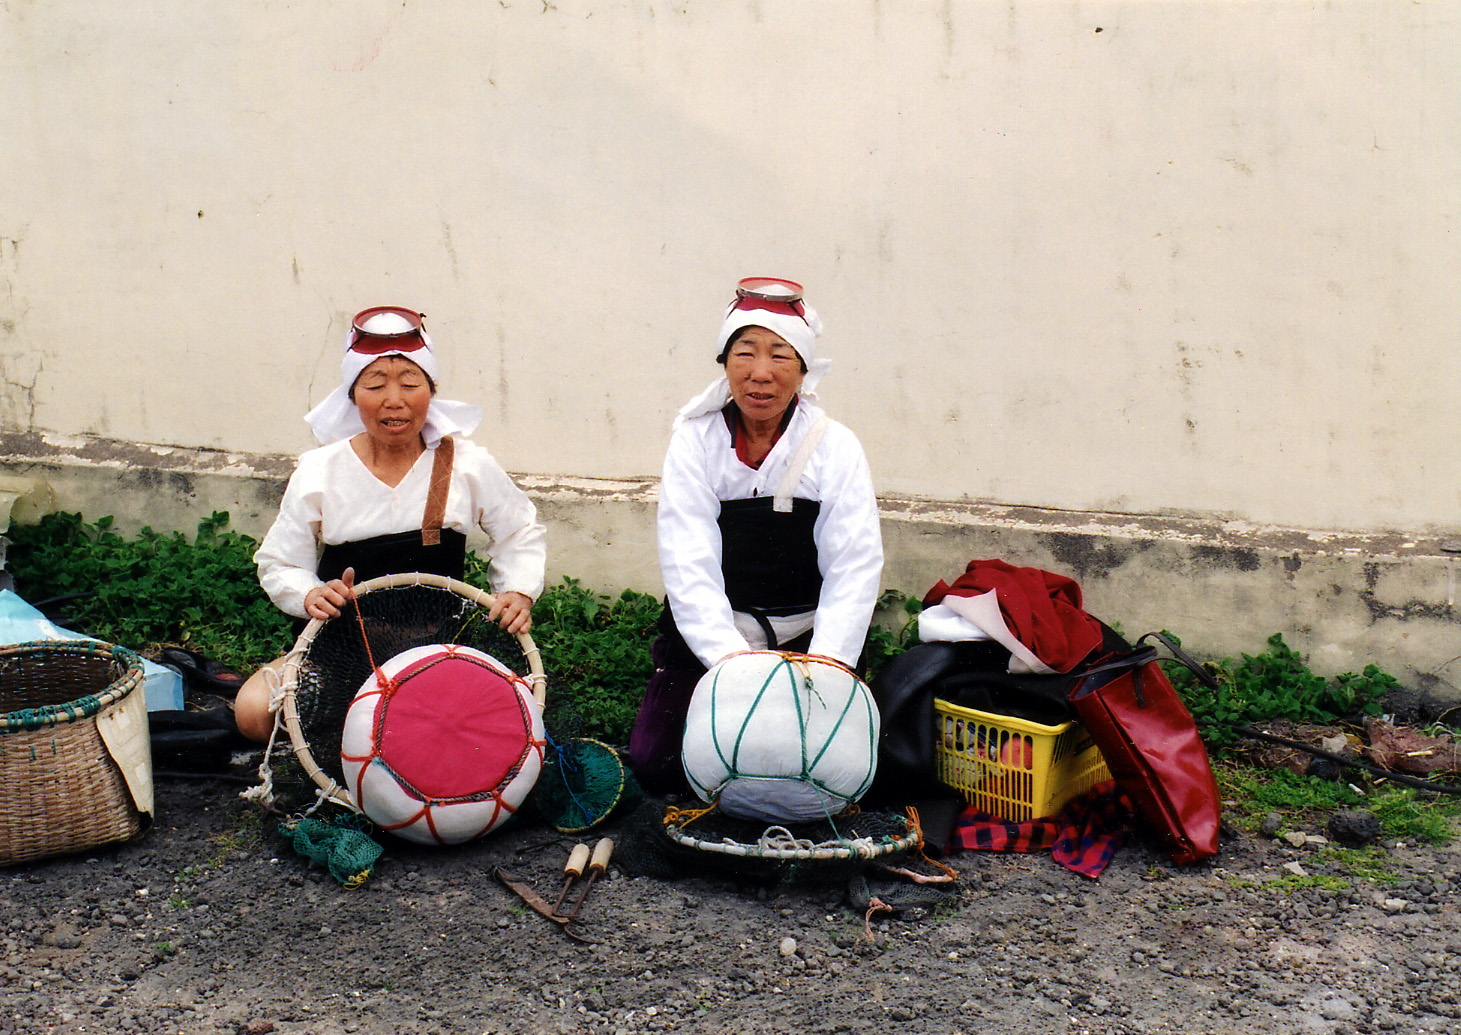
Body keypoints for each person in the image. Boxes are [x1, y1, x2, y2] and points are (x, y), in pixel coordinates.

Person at [234, 306, 546, 741]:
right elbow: (279, 562)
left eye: (410, 384)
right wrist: (310, 594)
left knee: (459, 728)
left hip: (435, 648)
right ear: (352, 394)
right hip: (339, 648)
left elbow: (519, 530)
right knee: (253, 714)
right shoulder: (320, 470)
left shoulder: (467, 465)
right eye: (375, 385)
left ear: (430, 392)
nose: (394, 399)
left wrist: (516, 590)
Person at [627, 277, 884, 791]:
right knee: (658, 765)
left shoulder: (835, 447)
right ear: (724, 362)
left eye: (781, 356)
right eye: (745, 353)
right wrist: (733, 666)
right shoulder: (695, 442)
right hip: (717, 640)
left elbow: (854, 564)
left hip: (809, 639)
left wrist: (825, 667)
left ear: (804, 369)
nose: (760, 374)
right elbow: (688, 562)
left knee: (829, 767)